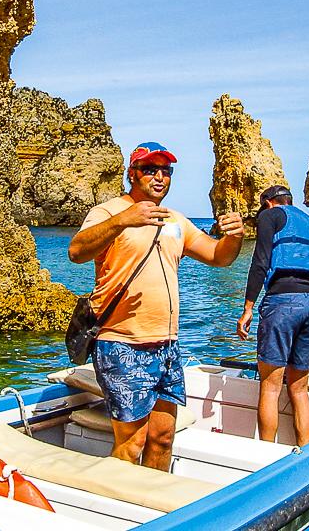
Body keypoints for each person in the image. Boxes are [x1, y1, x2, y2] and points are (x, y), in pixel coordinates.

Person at [68, 141, 245, 471]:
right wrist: (123, 220)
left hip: (166, 347)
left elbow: (218, 257)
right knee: (131, 443)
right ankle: (117, 511)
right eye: (150, 169)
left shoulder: (176, 220)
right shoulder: (108, 212)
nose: (160, 177)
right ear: (132, 174)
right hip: (121, 343)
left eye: (166, 171)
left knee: (163, 437)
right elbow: (77, 252)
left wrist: (234, 238)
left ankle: (153, 512)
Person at [232, 185, 309, 446]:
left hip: (284, 300)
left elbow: (261, 261)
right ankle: (305, 452)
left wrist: (248, 308)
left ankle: (266, 456)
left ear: (268, 203)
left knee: (271, 385)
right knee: (299, 387)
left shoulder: (271, 215)